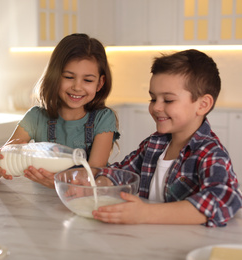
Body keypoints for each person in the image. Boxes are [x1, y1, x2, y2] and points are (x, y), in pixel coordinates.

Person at [93, 49, 242, 227]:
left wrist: (145, 213)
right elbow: (121, 173)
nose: (156, 107)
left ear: (203, 105)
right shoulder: (154, 144)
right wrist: (101, 182)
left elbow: (222, 198)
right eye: (153, 99)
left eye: (168, 100)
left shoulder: (210, 153)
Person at [0, 33, 120, 188]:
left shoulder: (102, 119)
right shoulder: (36, 117)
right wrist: (6, 155)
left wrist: (58, 182)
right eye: (69, 77)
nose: (77, 86)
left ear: (100, 83)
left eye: (88, 80)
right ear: (54, 76)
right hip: (41, 205)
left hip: (82, 203)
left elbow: (92, 174)